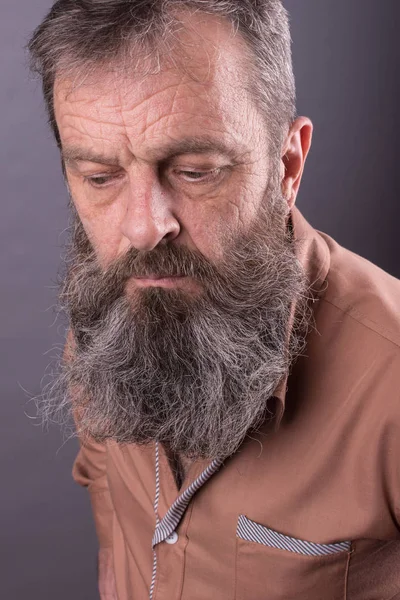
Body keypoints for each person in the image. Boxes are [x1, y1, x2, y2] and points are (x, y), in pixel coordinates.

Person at [28, 1, 400, 599]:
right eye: (100, 177)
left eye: (196, 171)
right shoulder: (112, 316)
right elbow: (108, 488)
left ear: (287, 165)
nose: (143, 230)